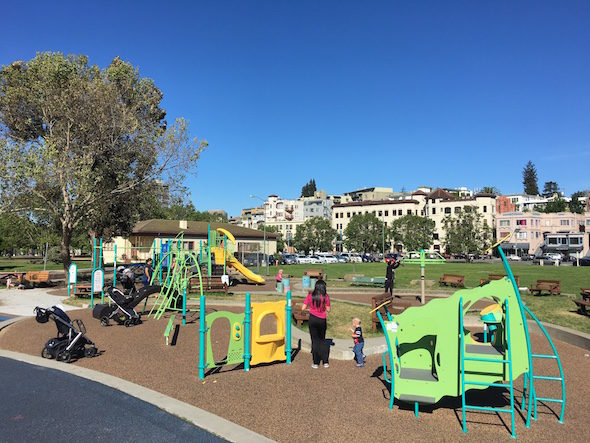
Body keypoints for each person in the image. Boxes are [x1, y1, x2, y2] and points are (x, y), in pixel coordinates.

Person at [301, 279, 331, 369]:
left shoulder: (310, 296)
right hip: (322, 319)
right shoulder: (326, 296)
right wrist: (323, 307)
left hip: (312, 319)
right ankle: (325, 362)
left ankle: (315, 362)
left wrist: (310, 310)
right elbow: (328, 310)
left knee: (314, 341)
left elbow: (303, 308)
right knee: (322, 341)